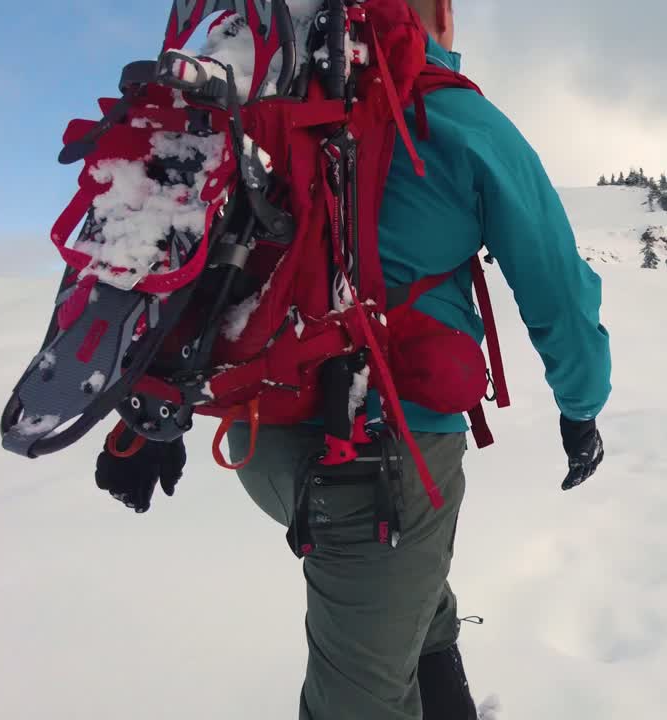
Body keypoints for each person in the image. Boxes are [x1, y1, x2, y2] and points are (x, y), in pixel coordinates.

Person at [93, 1, 612, 718]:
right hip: (379, 461)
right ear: (436, 17)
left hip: (255, 437)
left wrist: (148, 415)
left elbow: (178, 265)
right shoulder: (458, 123)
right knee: (361, 689)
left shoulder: (255, 106)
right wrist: (581, 409)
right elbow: (558, 288)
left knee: (409, 591)